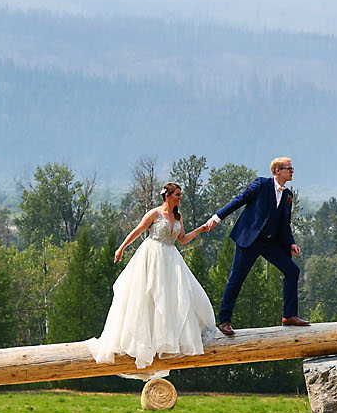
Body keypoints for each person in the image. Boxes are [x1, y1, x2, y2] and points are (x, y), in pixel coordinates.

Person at [88, 182, 218, 376]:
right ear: (167, 195)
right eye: (177, 194)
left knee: (173, 297)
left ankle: (165, 340)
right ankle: (142, 341)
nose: (180, 197)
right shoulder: (155, 214)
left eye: (180, 194)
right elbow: (138, 230)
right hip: (152, 255)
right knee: (147, 295)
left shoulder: (178, 217)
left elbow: (182, 239)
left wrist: (200, 230)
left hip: (171, 258)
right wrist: (122, 247)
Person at [202, 156, 307, 335]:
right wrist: (216, 218)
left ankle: (289, 315)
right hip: (249, 240)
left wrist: (291, 244)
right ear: (277, 171)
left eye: (292, 168)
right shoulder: (261, 184)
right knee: (237, 279)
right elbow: (239, 200)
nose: (292, 171)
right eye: (289, 168)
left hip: (270, 243)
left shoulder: (288, 195)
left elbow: (285, 224)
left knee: (292, 271)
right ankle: (225, 321)